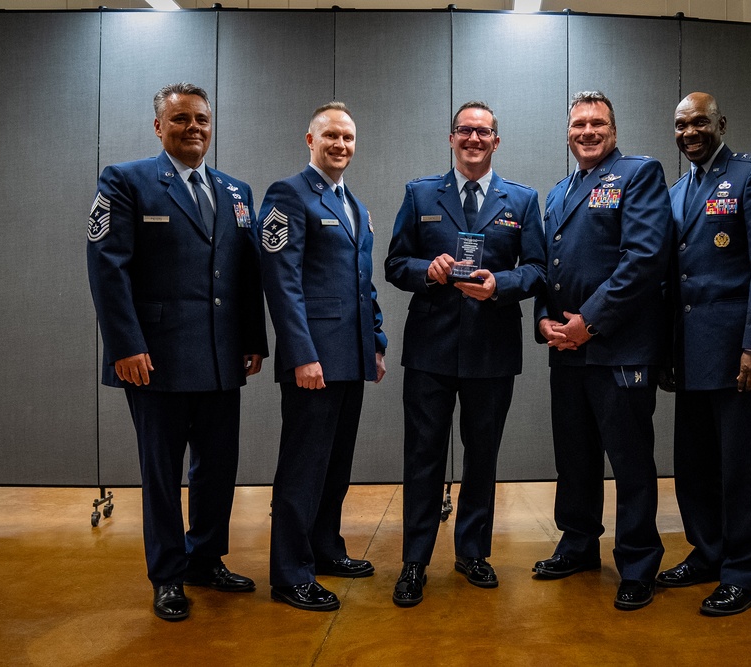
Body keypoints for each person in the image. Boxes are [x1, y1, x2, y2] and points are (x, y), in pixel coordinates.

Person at [86, 82, 268, 622]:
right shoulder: (125, 181)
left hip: (220, 357)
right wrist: (125, 345)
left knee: (217, 468)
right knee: (162, 474)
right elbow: (106, 267)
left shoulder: (237, 191)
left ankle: (206, 558)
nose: (194, 128)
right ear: (159, 126)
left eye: (203, 120)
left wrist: (253, 340)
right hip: (154, 359)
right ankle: (167, 575)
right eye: (182, 119)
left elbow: (246, 274)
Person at [384, 101, 545, 607]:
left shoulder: (521, 201)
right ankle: (414, 561)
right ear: (451, 138)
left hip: (492, 351)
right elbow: (394, 264)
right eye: (465, 131)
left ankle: (473, 552)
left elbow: (538, 269)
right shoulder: (419, 193)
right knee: (423, 456)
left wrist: (502, 283)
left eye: (484, 132)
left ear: (497, 141)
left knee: (482, 457)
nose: (474, 139)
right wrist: (424, 270)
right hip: (431, 349)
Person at [532, 91, 672, 611]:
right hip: (566, 349)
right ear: (567, 132)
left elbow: (644, 259)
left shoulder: (639, 174)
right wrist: (543, 317)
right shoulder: (558, 192)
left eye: (597, 123)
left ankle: (637, 563)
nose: (587, 131)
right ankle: (578, 544)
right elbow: (552, 266)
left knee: (631, 461)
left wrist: (589, 322)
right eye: (578, 124)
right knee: (575, 457)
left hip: (620, 349)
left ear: (613, 129)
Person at [656, 92, 751, 616]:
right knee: (693, 465)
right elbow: (674, 276)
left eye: (699, 123)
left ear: (721, 124)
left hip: (736, 353)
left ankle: (745, 573)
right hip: (689, 355)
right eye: (681, 124)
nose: (690, 132)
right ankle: (708, 552)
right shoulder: (676, 190)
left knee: (740, 468)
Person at [259, 101, 387, 613]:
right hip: (313, 361)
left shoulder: (352, 203)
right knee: (302, 468)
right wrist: (301, 355)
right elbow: (281, 282)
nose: (340, 145)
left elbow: (361, 283)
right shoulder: (288, 195)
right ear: (309, 139)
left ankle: (325, 548)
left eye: (349, 138)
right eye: (331, 136)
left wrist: (374, 342)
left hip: (351, 357)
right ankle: (290, 573)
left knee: (336, 465)